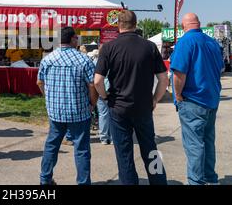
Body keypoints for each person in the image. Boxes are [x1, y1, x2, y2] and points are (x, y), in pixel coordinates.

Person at [94, 10, 168, 185]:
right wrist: (155, 99)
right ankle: (159, 182)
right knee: (151, 149)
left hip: (118, 107)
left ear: (118, 25)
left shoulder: (109, 48)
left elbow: (98, 81)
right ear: (136, 24)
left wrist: (105, 98)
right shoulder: (149, 47)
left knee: (124, 153)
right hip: (143, 107)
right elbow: (163, 79)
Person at [37, 27, 97, 185]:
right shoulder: (83, 60)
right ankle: (83, 182)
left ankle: (45, 179)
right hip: (79, 111)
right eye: (76, 38)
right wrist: (92, 103)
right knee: (82, 149)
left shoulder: (48, 59)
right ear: (73, 39)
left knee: (52, 145)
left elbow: (40, 82)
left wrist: (48, 98)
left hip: (56, 112)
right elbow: (92, 85)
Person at [171, 13, 224, 185]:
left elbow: (178, 73)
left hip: (193, 100)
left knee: (194, 145)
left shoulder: (185, 42)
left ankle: (196, 181)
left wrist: (178, 95)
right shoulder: (212, 42)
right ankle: (210, 178)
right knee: (208, 142)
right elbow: (221, 69)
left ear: (183, 26)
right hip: (211, 100)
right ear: (199, 24)